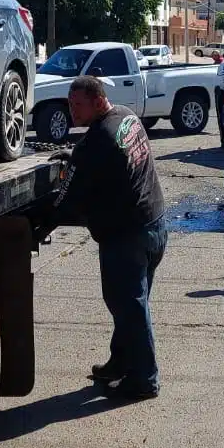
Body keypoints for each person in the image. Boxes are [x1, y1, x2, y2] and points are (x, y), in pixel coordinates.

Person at [50, 76, 168, 401]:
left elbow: (67, 200)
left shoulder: (96, 142)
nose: (71, 111)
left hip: (127, 237)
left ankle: (145, 380)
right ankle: (121, 363)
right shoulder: (127, 115)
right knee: (131, 305)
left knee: (128, 306)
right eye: (70, 104)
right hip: (155, 224)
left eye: (78, 105)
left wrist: (41, 217)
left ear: (99, 101)